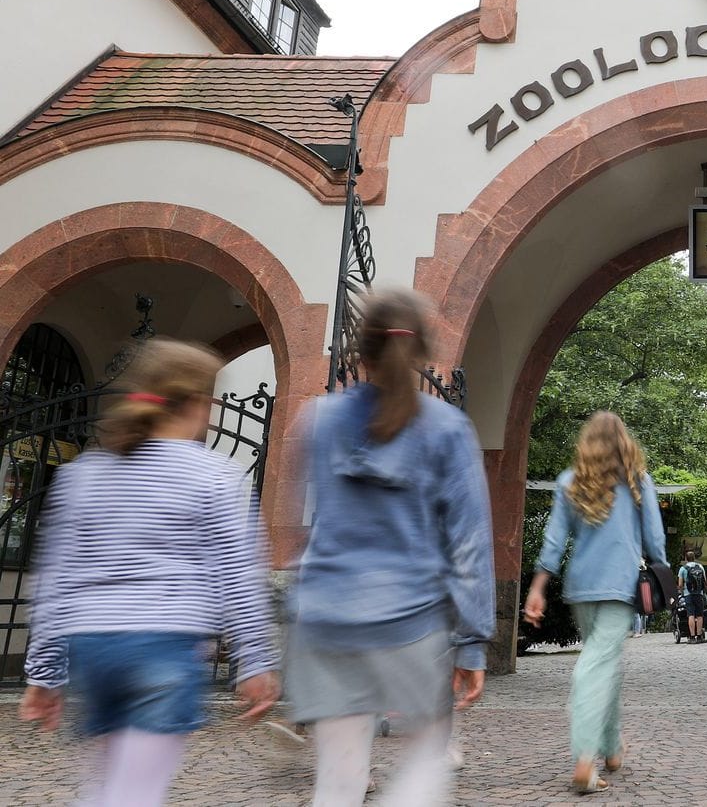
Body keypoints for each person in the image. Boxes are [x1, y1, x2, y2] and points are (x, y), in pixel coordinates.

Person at [18, 340, 279, 806]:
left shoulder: (86, 473)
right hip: (164, 646)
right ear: (200, 405)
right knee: (135, 793)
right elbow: (237, 576)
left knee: (107, 784)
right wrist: (255, 660)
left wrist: (43, 673)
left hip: (94, 649)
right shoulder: (215, 476)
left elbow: (54, 579)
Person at [284, 289, 494, 807]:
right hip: (410, 623)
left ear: (360, 356)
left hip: (326, 620)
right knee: (425, 764)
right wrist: (471, 643)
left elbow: (300, 524)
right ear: (423, 354)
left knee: (336, 782)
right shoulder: (447, 429)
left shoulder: (318, 420)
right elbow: (469, 546)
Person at [527, 411, 665, 793]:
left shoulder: (570, 482)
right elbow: (655, 542)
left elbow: (555, 542)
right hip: (620, 588)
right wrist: (661, 571)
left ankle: (611, 746)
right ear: (624, 443)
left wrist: (538, 586)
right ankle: (585, 761)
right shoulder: (638, 482)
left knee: (604, 664)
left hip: (582, 587)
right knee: (596, 667)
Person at [680, 547, 707, 644]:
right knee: (700, 615)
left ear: (686, 558)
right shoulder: (700, 567)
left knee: (691, 615)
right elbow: (705, 582)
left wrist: (682, 591)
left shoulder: (683, 568)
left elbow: (680, 584)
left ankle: (692, 637)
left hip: (688, 594)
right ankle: (700, 636)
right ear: (694, 558)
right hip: (699, 594)